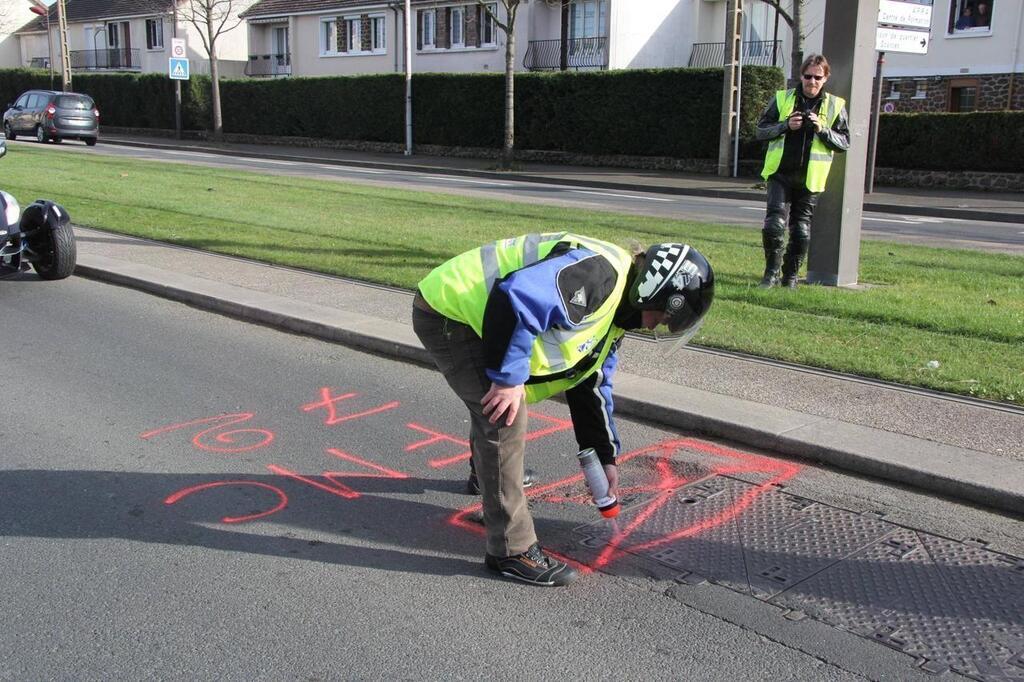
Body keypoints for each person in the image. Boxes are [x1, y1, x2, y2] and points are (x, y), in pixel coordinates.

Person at [412, 233, 714, 586]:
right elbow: (517, 297)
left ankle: (488, 476)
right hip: (451, 311)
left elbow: (591, 381)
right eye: (662, 316)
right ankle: (511, 551)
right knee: (504, 415)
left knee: (502, 400)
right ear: (654, 291)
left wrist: (604, 455)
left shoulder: (616, 315)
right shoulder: (600, 276)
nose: (656, 325)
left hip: (481, 315)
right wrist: (508, 379)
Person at [755, 54, 850, 289]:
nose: (812, 81)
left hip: (810, 178)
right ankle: (770, 275)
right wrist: (785, 126)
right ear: (801, 75)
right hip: (780, 173)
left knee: (800, 230)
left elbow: (844, 142)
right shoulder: (782, 98)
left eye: (817, 77)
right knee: (774, 224)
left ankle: (790, 277)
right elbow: (760, 131)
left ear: (825, 78)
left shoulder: (835, 105)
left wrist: (823, 130)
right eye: (808, 76)